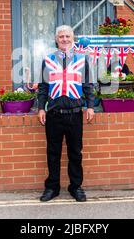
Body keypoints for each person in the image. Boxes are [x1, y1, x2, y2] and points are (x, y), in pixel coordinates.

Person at [37, 25, 95, 202]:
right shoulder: (48, 60)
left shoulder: (82, 59)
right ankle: (52, 187)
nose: (64, 39)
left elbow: (88, 85)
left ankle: (75, 187)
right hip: (54, 114)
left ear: (73, 38)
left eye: (67, 36)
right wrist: (41, 107)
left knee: (75, 153)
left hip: (75, 113)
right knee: (52, 152)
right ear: (56, 39)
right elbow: (43, 87)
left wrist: (90, 106)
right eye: (61, 36)